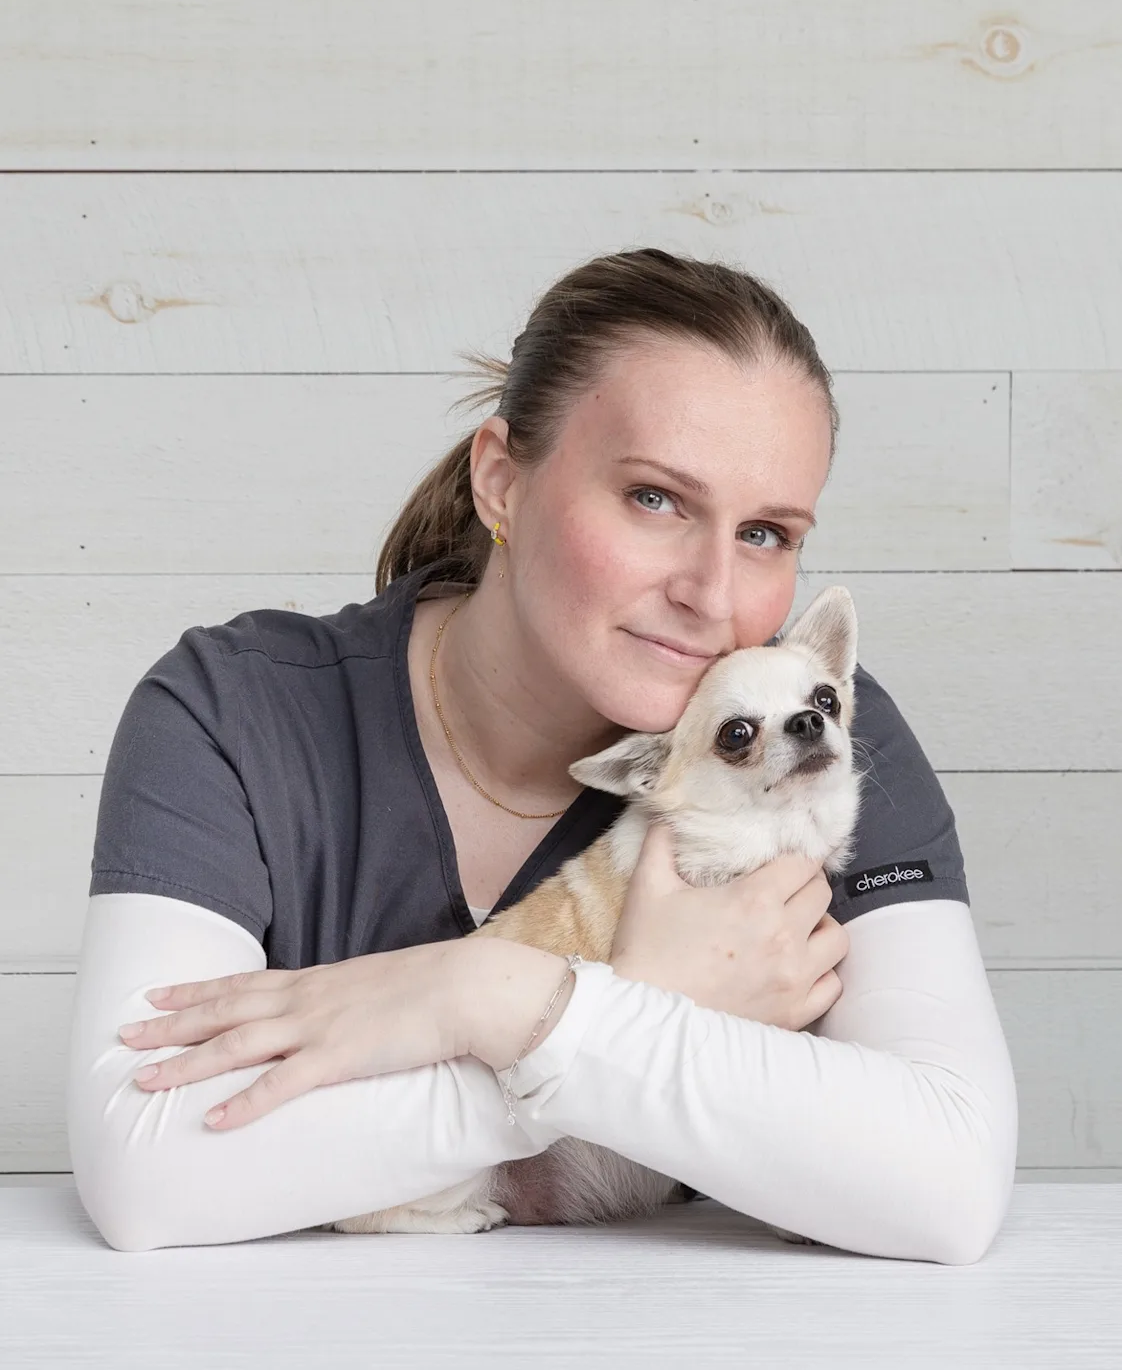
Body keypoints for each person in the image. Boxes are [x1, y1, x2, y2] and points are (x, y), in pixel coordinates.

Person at [66, 248, 1018, 1260]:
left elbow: (946, 1185)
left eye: (767, 533)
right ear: (501, 481)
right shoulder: (235, 713)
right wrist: (637, 1021)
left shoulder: (811, 740)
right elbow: (146, 1172)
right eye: (656, 498)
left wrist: (490, 999)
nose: (710, 591)